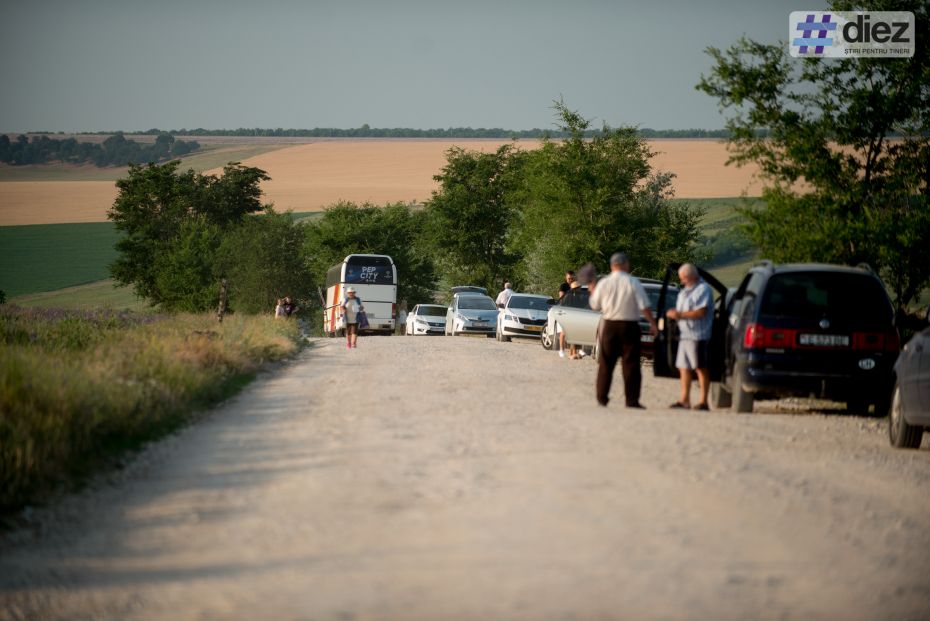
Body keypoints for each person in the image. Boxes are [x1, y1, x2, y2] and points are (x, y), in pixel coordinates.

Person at [588, 252, 658, 408]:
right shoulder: (633, 282)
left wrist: (592, 289)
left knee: (606, 363)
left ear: (612, 266)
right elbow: (644, 306)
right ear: (625, 264)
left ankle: (602, 398)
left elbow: (594, 306)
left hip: (609, 325)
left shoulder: (604, 283)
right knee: (631, 363)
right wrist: (653, 324)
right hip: (629, 326)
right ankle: (631, 400)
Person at [665, 263, 714, 410]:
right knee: (683, 367)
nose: (682, 281)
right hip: (685, 335)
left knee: (700, 367)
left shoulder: (703, 289)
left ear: (692, 276)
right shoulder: (684, 291)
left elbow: (701, 312)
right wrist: (674, 313)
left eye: (683, 278)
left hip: (698, 335)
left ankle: (704, 401)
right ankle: (684, 400)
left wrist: (679, 315)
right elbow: (683, 311)